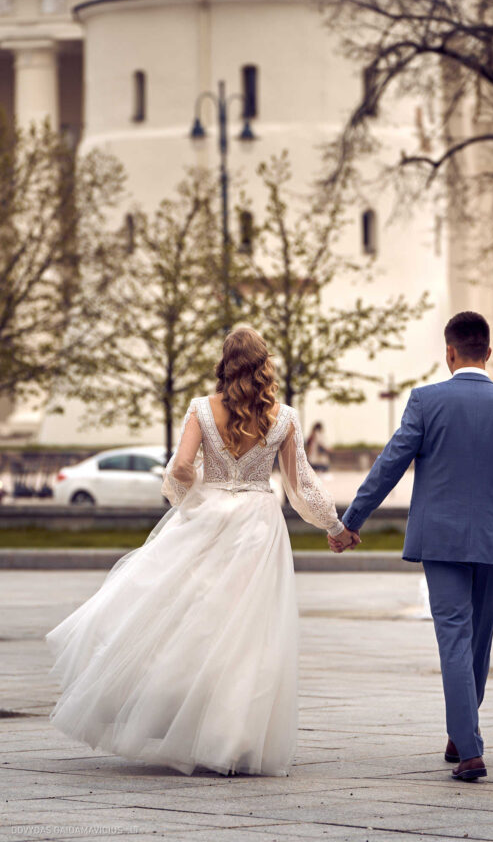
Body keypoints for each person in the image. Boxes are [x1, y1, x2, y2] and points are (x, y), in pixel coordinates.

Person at [45, 327, 344, 777]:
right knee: (247, 631)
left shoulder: (203, 410)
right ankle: (233, 738)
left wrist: (189, 500)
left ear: (225, 363)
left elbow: (181, 468)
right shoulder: (284, 417)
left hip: (212, 517)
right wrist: (335, 527)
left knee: (192, 617)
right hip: (259, 525)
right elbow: (301, 487)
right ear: (264, 364)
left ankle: (176, 717)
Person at [328, 311, 493, 782]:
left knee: (455, 637)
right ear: (488, 352)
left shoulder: (425, 401)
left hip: (441, 541)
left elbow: (390, 464)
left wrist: (350, 522)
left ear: (449, 352)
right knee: (479, 644)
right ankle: (464, 736)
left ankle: (467, 746)